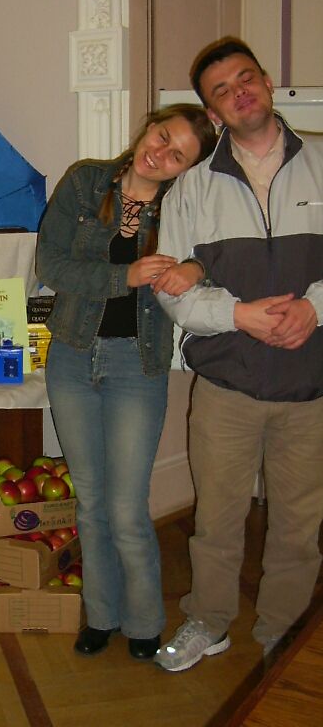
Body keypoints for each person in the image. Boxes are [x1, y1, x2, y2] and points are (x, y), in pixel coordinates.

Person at [153, 36, 323, 672]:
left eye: (245, 78)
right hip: (227, 387)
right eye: (221, 91)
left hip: (312, 386)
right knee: (217, 520)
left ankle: (283, 631)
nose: (238, 93)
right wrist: (239, 315)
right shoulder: (192, 186)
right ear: (213, 112)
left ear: (267, 82)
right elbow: (172, 288)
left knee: (299, 525)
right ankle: (209, 621)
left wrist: (315, 307)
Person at [36, 104, 217, 660]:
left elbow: (219, 254)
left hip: (137, 366)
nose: (160, 154)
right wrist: (126, 275)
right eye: (162, 137)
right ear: (148, 127)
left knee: (127, 507)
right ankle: (101, 616)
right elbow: (50, 264)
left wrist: (197, 269)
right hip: (72, 355)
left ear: (187, 170)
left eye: (178, 155)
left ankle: (143, 622)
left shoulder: (185, 206)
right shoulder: (85, 182)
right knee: (90, 502)